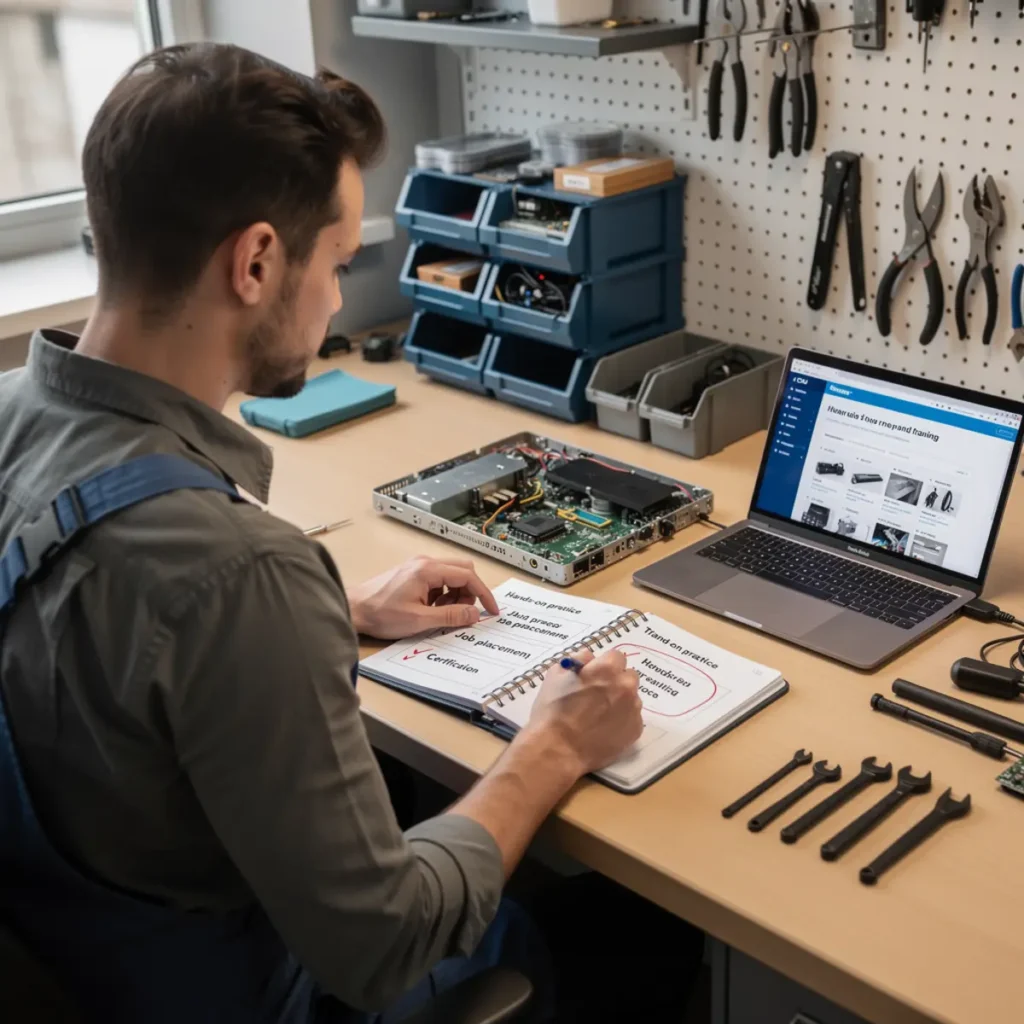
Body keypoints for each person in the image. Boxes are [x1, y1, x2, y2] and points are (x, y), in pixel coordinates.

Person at [0, 43, 673, 1023]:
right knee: (608, 932)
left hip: (79, 962)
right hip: (249, 988)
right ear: (258, 260)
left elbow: (86, 641)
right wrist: (553, 745)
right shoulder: (237, 574)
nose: (336, 299)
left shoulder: (13, 413)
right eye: (340, 262)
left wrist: (335, 612)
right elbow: (385, 941)